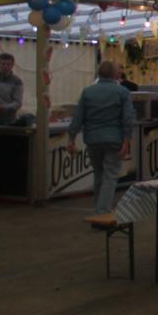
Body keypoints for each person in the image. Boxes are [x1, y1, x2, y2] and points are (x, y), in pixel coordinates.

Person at [67, 60, 134, 215]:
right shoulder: (123, 92)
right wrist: (126, 141)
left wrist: (71, 138)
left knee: (98, 175)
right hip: (114, 139)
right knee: (110, 176)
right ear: (115, 74)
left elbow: (78, 117)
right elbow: (128, 119)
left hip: (92, 139)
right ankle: (102, 211)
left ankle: (99, 208)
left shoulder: (87, 92)